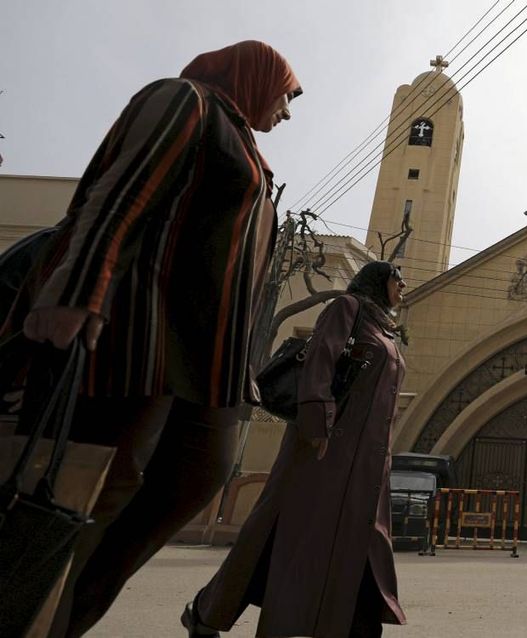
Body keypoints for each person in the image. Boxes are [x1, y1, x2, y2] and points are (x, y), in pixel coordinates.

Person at [0, 41, 301, 637]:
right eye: (288, 95)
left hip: (205, 367)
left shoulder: (247, 149)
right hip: (138, 342)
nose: (288, 114)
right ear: (255, 74)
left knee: (187, 483)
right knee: (81, 505)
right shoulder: (184, 102)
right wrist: (79, 291)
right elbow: (121, 197)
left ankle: (59, 621)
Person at [182, 261, 409, 638]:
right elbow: (320, 358)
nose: (403, 286)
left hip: (366, 462)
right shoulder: (347, 308)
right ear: (378, 281)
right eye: (397, 279)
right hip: (324, 451)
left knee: (359, 543)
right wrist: (317, 425)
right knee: (283, 537)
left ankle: (351, 625)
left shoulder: (385, 328)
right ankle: (209, 612)